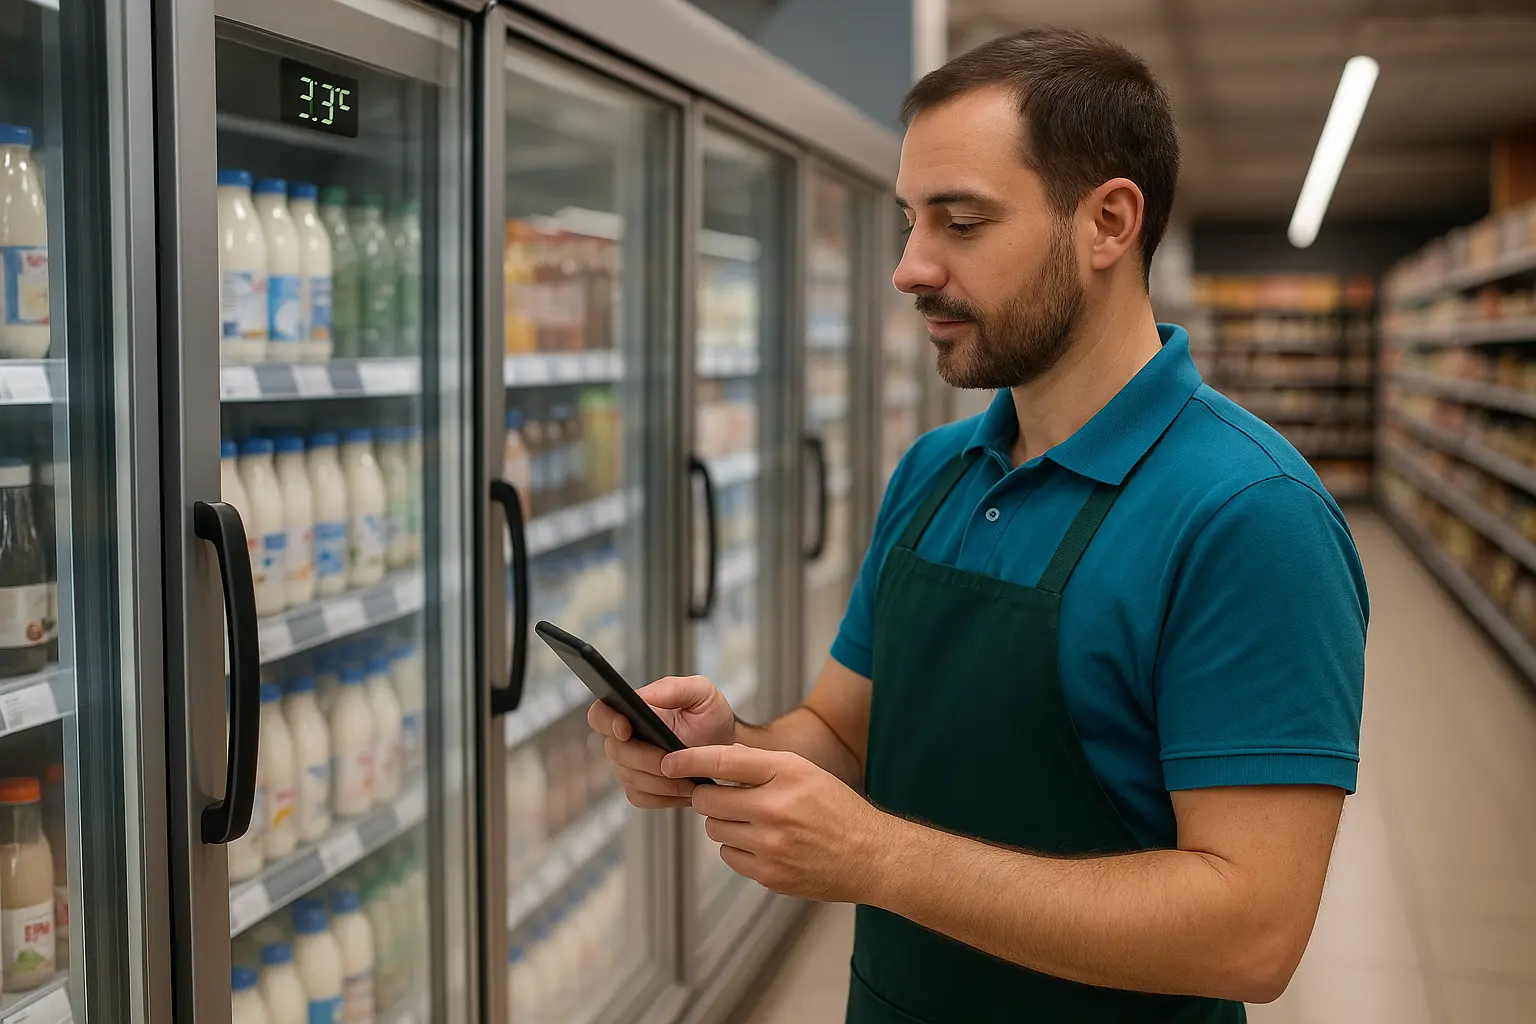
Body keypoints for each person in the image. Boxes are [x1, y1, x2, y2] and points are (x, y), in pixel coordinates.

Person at [590, 26, 1367, 1024]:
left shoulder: (1249, 515)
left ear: (1109, 223)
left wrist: (875, 854)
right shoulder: (934, 470)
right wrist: (730, 744)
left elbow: (1251, 931)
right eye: (908, 223)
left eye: (959, 224)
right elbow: (841, 732)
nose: (910, 269)